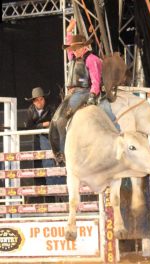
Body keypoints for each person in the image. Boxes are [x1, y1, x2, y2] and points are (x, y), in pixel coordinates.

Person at [49, 19, 103, 166]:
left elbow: (96, 80)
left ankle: (68, 152)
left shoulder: (91, 59)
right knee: (54, 121)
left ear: (83, 47)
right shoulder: (74, 57)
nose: (73, 50)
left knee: (60, 120)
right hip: (72, 93)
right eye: (73, 48)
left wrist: (92, 95)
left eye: (76, 47)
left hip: (83, 92)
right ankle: (59, 154)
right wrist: (68, 31)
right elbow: (68, 47)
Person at [24, 87, 65, 202]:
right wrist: (42, 125)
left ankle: (61, 196)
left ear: (44, 99)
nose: (39, 102)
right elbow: (28, 128)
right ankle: (49, 199)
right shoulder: (30, 110)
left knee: (57, 163)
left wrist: (48, 125)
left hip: (53, 138)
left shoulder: (51, 108)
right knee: (43, 167)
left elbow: (57, 122)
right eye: (37, 100)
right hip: (39, 141)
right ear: (33, 102)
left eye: (41, 99)